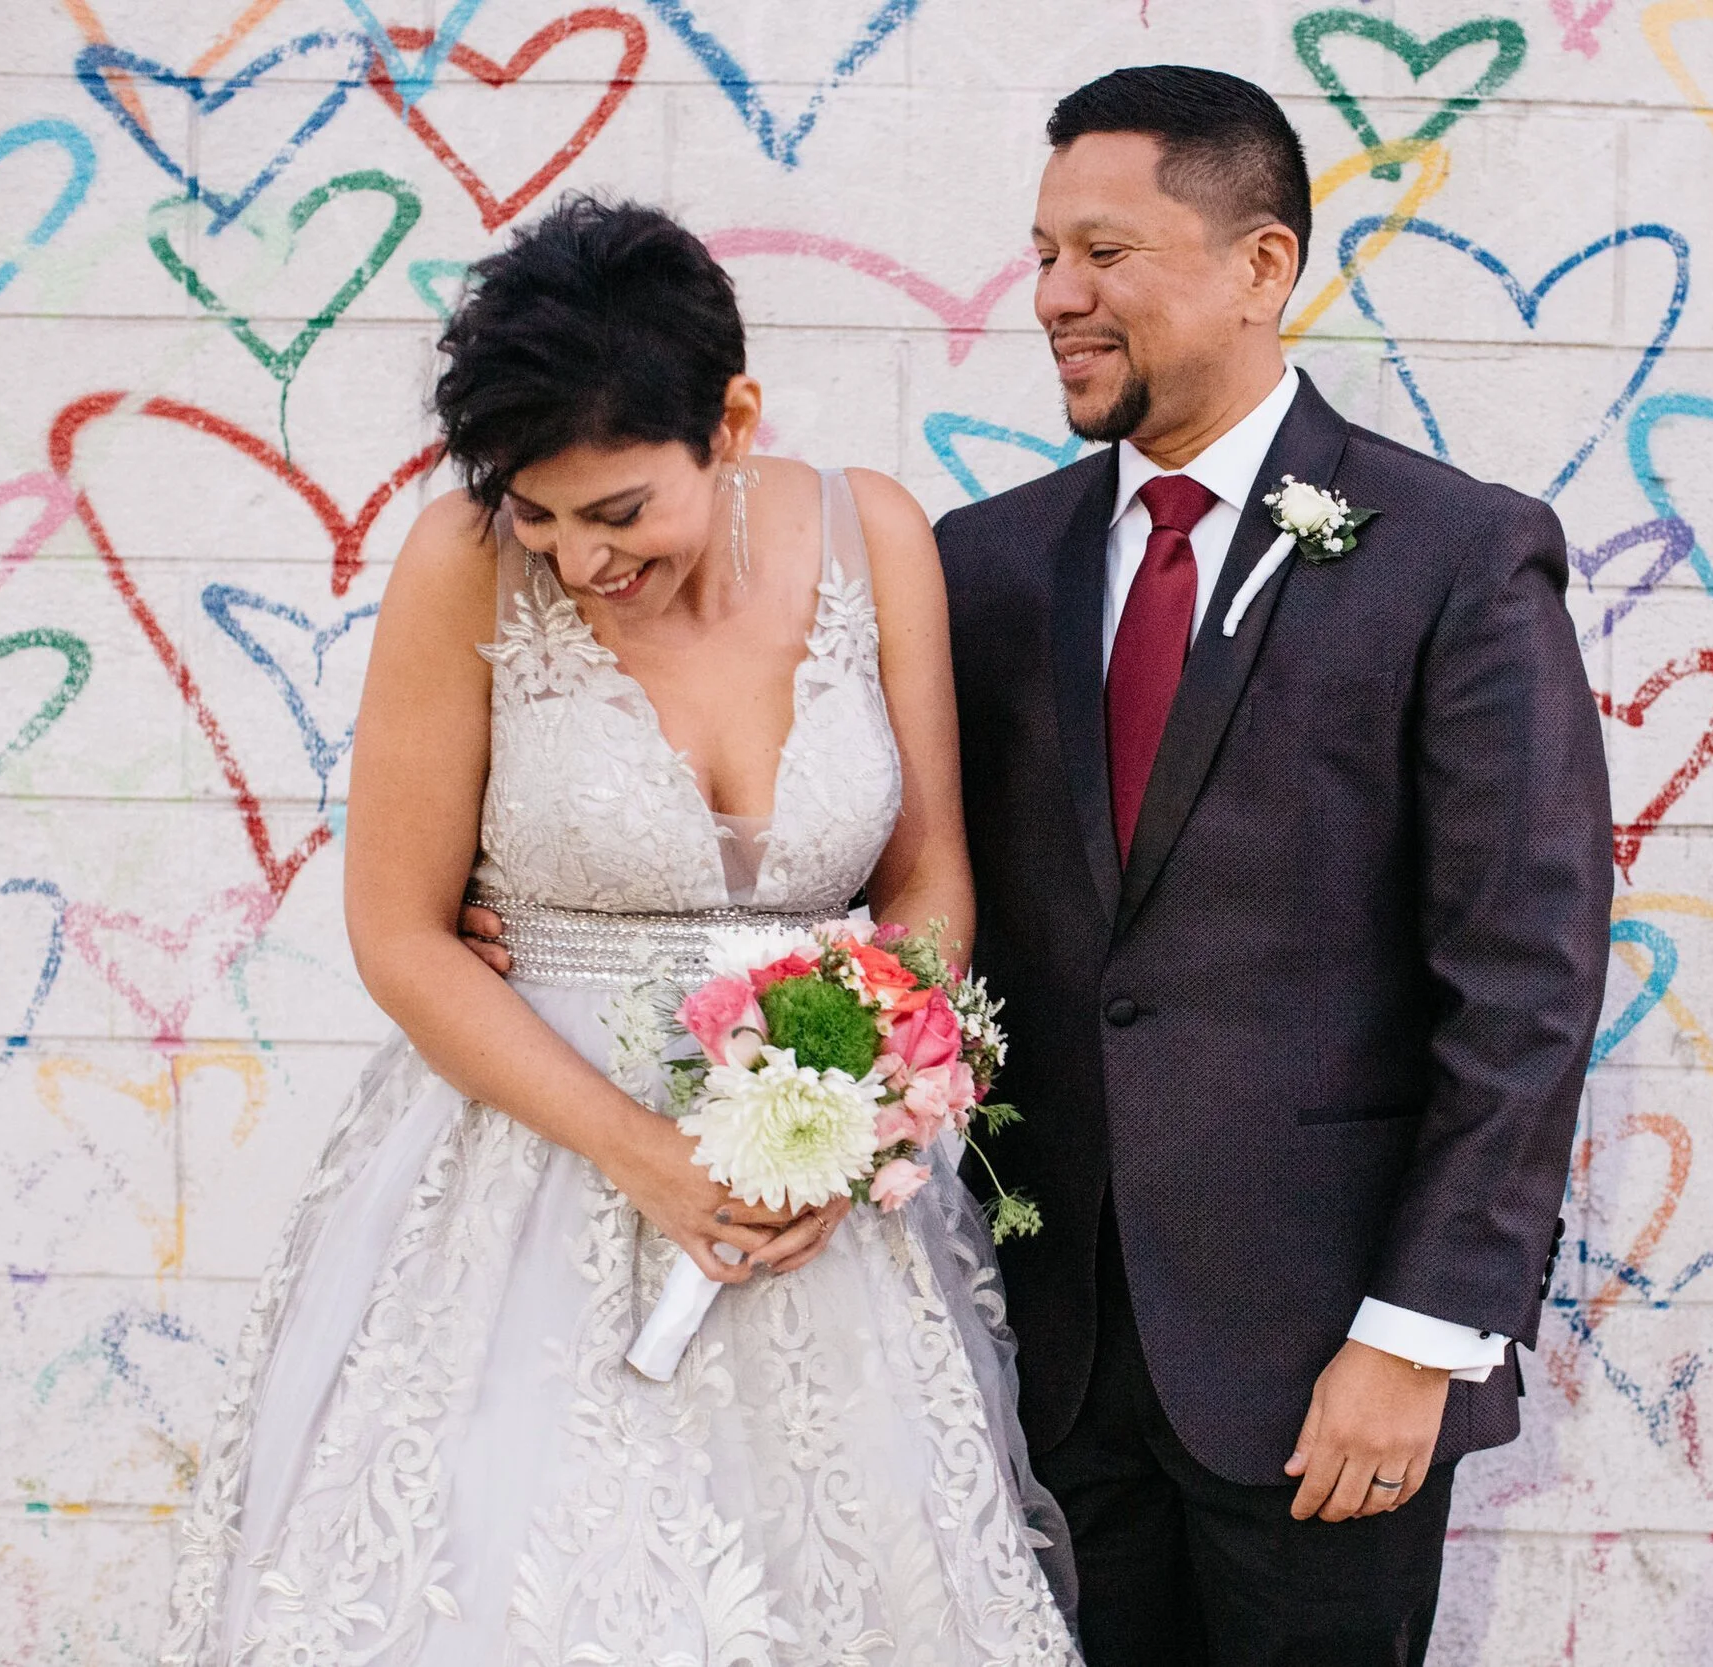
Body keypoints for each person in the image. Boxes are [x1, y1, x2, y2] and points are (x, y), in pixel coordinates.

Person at [160, 198, 1078, 1666]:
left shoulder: (875, 535)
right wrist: (641, 1152)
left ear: (731, 420)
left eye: (620, 510)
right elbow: (399, 936)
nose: (579, 560)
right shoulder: (461, 567)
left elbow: (929, 877)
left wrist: (863, 1107)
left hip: (817, 1197)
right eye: (539, 512)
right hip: (525, 1186)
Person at [933, 66, 1615, 1665]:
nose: (1056, 298)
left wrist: (1421, 1335)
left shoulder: (1456, 555)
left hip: (1326, 1378)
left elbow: (1524, 977)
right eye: (1042, 255)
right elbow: (880, 863)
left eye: (1105, 252)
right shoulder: (977, 567)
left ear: (1261, 268)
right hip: (1047, 1370)